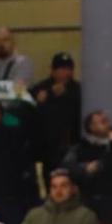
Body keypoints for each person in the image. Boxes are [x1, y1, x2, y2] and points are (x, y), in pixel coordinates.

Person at [29, 54, 83, 186]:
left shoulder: (79, 90)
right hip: (46, 151)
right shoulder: (39, 89)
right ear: (53, 71)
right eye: (61, 69)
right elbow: (29, 114)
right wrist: (41, 101)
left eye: (69, 69)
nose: (66, 73)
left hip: (72, 148)